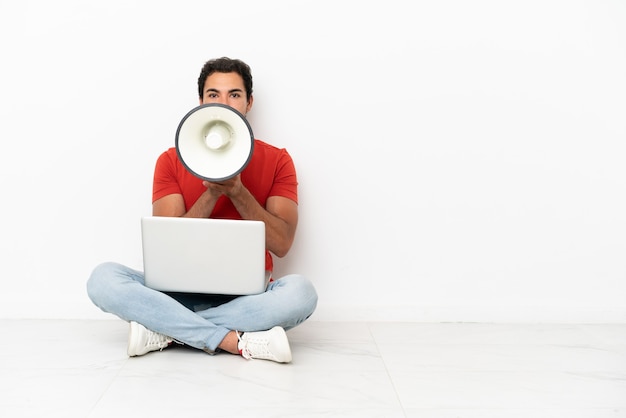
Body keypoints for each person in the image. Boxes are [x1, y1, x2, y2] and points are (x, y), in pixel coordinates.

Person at [86, 57, 318, 363]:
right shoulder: (169, 160)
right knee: (103, 279)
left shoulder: (278, 160)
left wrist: (237, 191)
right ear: (200, 102)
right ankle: (231, 340)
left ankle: (166, 330)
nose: (223, 103)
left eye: (234, 94)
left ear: (249, 102)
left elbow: (283, 243)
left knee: (301, 293)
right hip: (177, 292)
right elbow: (168, 247)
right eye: (213, 95)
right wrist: (212, 191)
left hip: (248, 295)